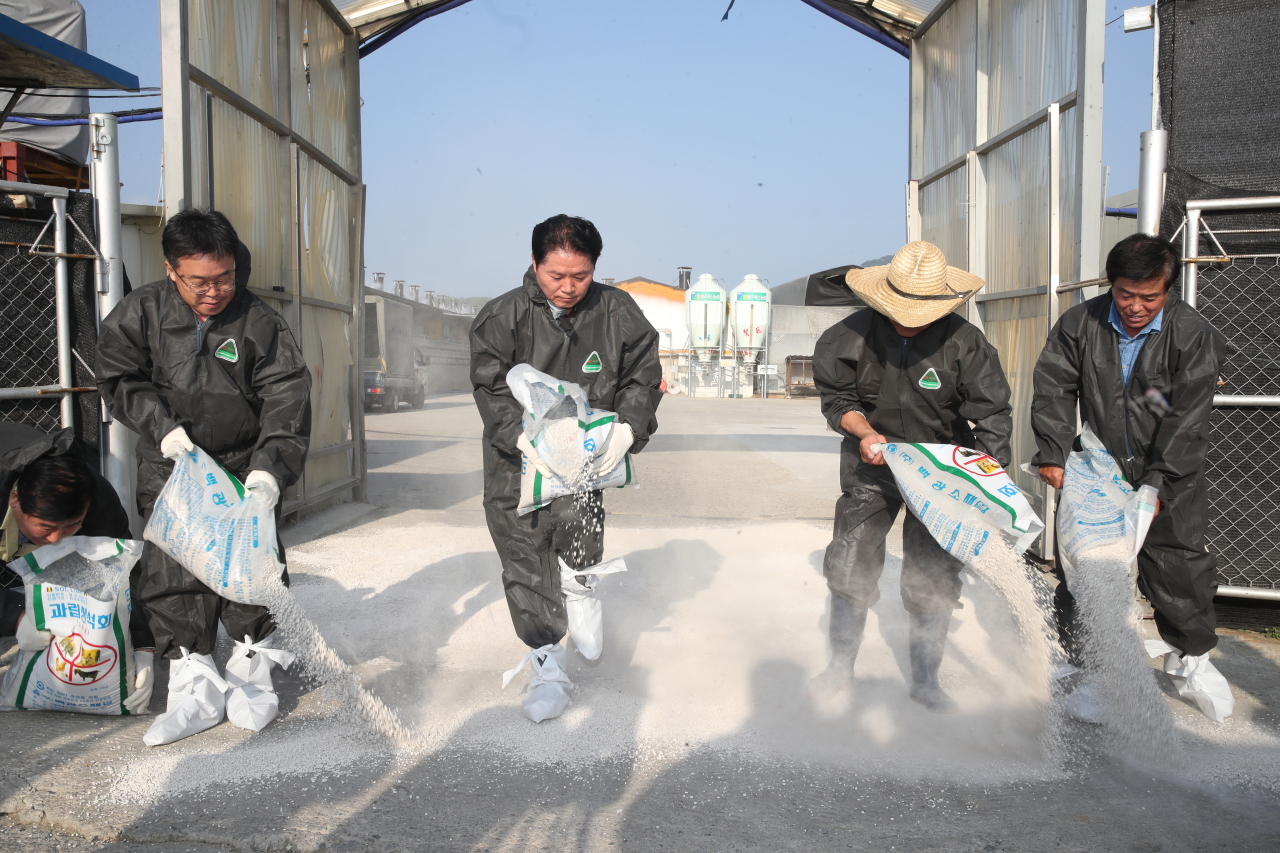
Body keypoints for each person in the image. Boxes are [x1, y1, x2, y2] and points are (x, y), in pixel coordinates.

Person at [95, 209, 311, 724]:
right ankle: (192, 683)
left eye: (225, 277)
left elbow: (287, 394)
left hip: (241, 464)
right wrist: (161, 427)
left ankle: (250, 672)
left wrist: (269, 470)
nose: (215, 292)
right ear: (172, 270)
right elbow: (120, 377)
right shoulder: (141, 311)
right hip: (173, 462)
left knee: (251, 570)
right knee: (173, 569)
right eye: (200, 282)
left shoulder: (259, 321)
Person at [470, 214, 662, 722]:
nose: (570, 287)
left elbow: (643, 376)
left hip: (586, 459)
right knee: (525, 557)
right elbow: (490, 387)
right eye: (557, 276)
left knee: (579, 530)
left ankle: (581, 585)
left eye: (581, 275)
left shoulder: (616, 310)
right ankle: (547, 667)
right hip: (520, 462)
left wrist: (628, 429)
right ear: (535, 264)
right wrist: (520, 436)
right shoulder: (503, 316)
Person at [1030, 233, 1227, 720]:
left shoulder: (1193, 333)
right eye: (1124, 294)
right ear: (1110, 284)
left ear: (1168, 290)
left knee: (1179, 565)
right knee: (1089, 564)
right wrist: (1054, 452)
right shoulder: (1081, 321)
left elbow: (1187, 416)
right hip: (1100, 464)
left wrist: (1159, 480)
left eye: (1148, 296)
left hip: (1169, 468)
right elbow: (1055, 387)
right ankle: (1087, 666)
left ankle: (1191, 660)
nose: (1135, 306)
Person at [811, 241, 1013, 713]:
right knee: (851, 561)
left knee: (933, 573)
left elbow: (992, 416)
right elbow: (838, 400)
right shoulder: (848, 337)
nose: (911, 319)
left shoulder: (966, 344)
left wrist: (983, 481)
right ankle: (839, 668)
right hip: (872, 463)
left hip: (940, 470)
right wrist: (864, 432)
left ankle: (925, 680)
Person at [0, 423, 155, 713]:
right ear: (15, 500)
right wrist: (16, 617)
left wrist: (144, 647)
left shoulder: (96, 498)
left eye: (71, 525)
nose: (57, 539)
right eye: (45, 527)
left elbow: (120, 574)